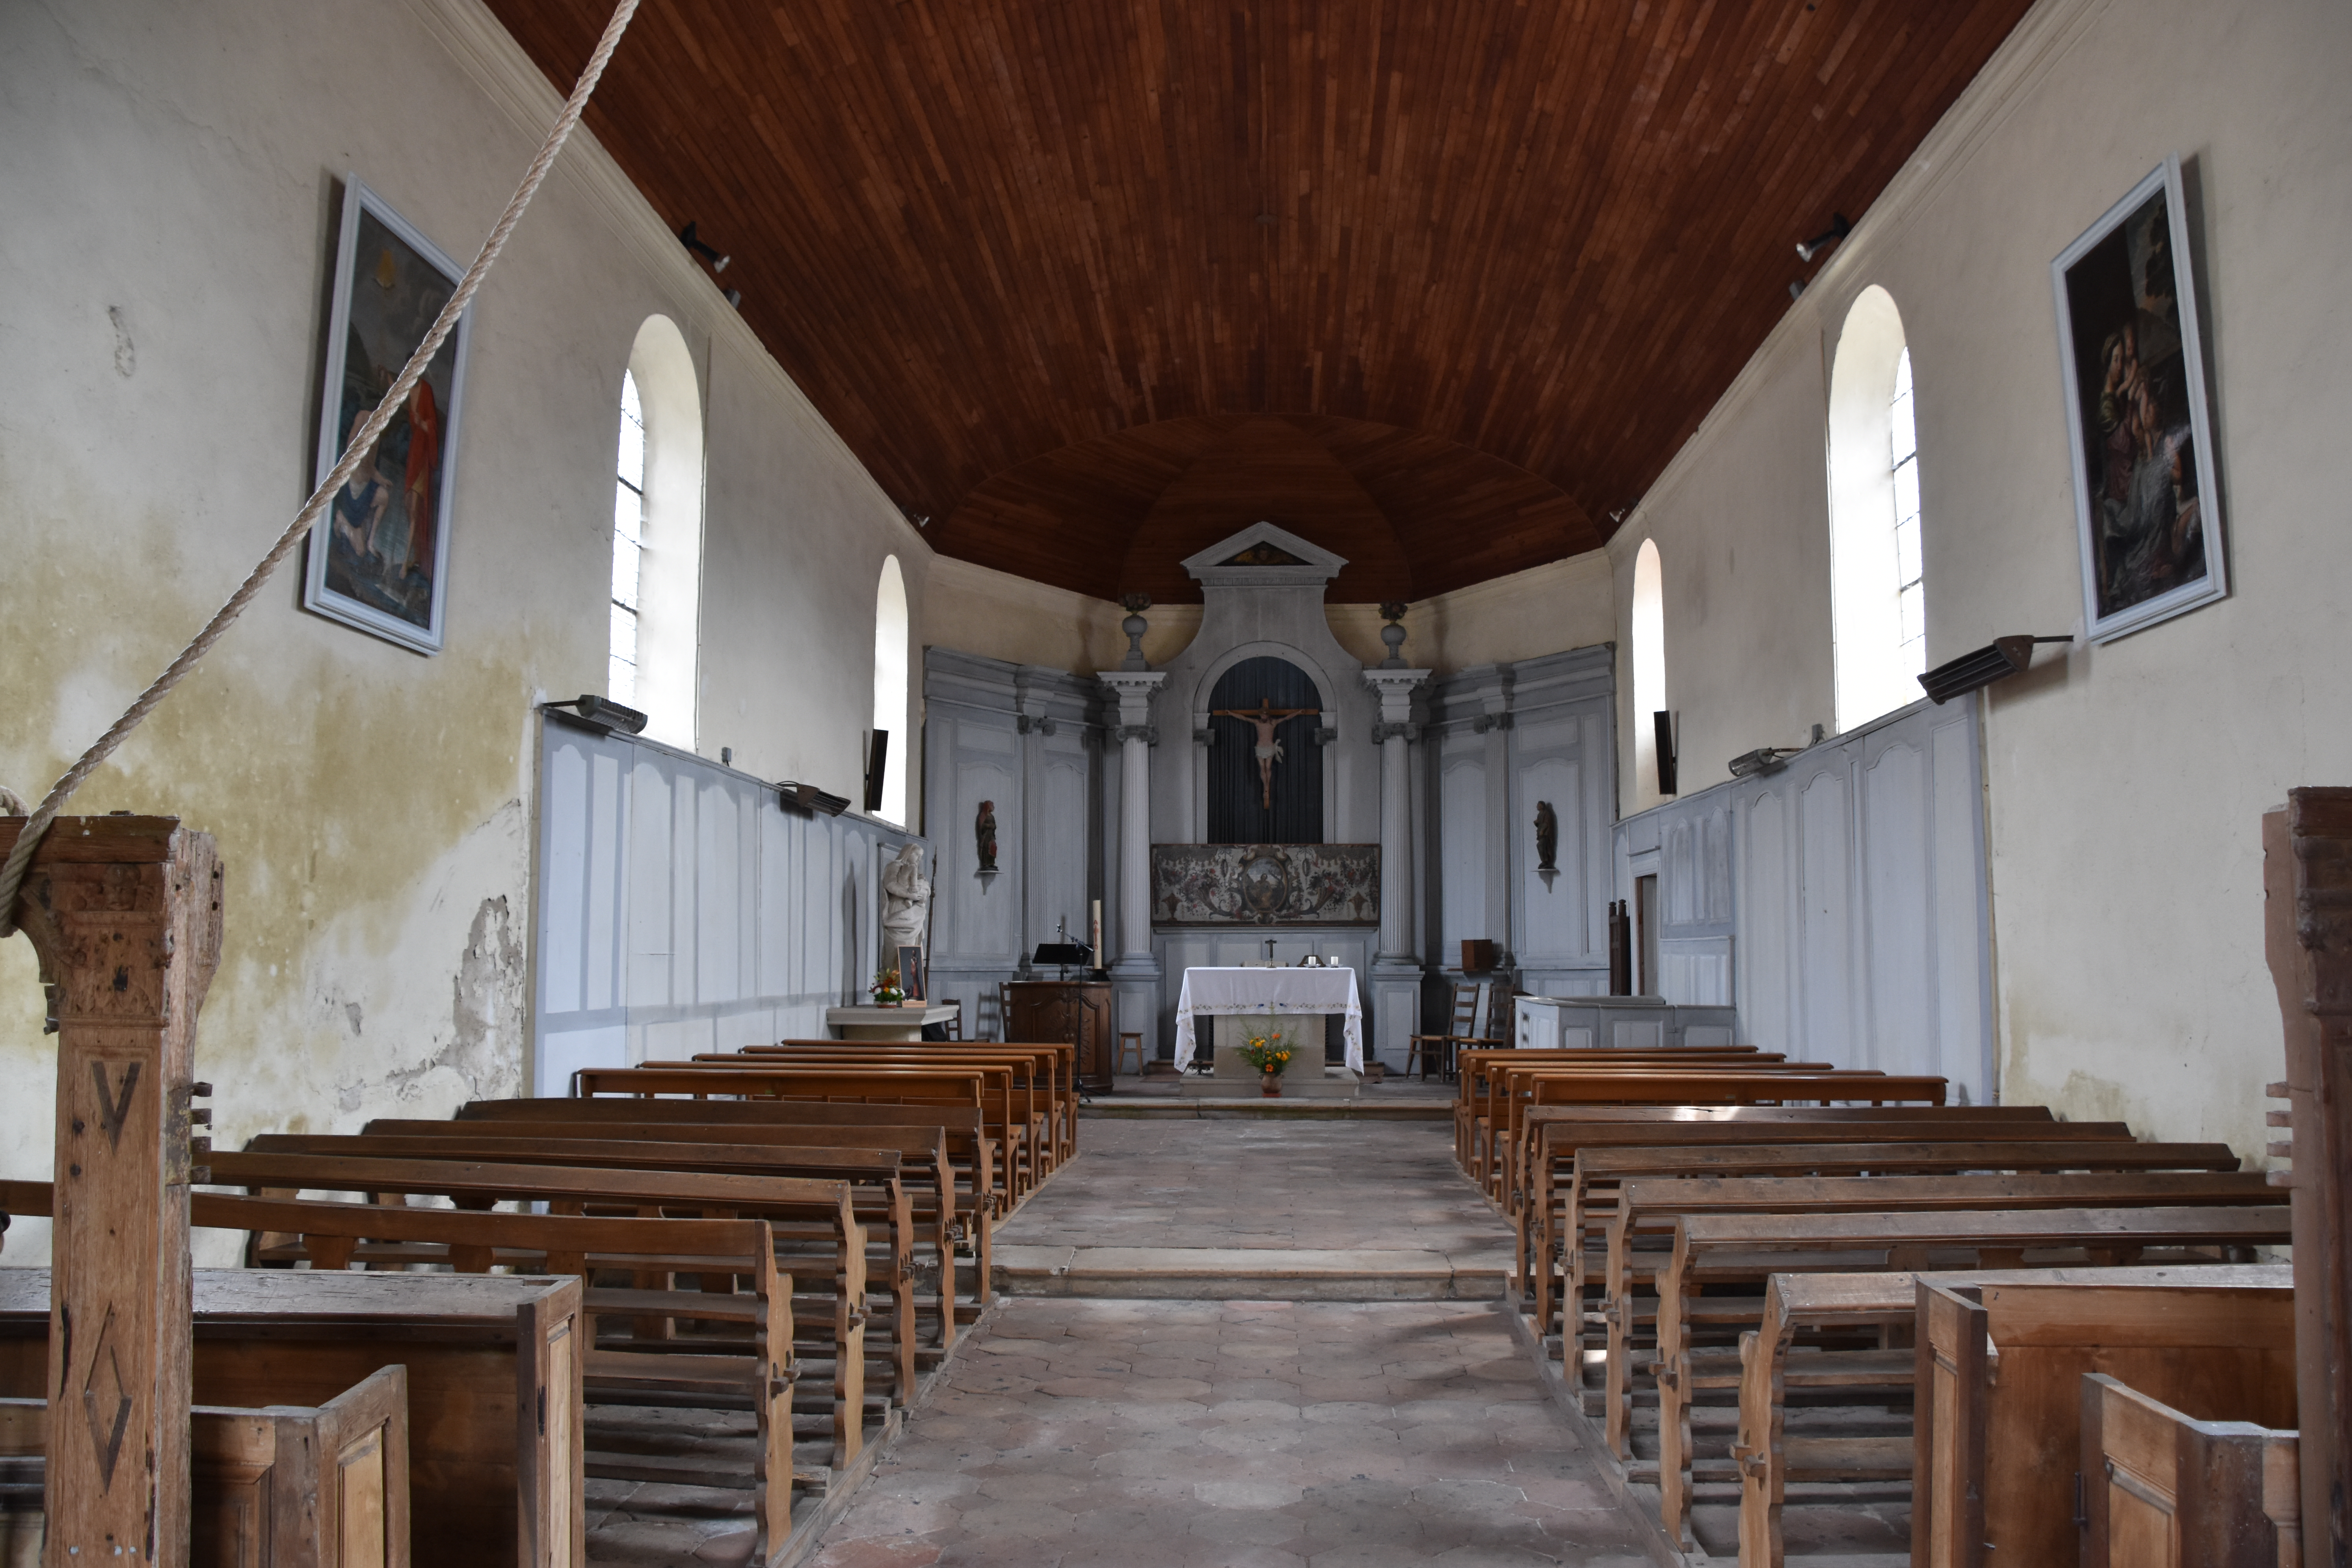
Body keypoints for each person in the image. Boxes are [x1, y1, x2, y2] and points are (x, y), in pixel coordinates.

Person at [1211, 697, 1318, 809]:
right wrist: (1231, 713)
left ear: (1268, 715)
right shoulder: (1257, 723)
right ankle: (1266, 788)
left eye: (1265, 715)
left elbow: (1287, 718)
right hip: (1260, 748)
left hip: (1270, 747)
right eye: (1262, 715)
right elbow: (1244, 718)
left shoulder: (1273, 723)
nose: (1263, 717)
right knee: (1262, 768)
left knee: (1268, 768)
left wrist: (1298, 713)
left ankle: (1267, 787)